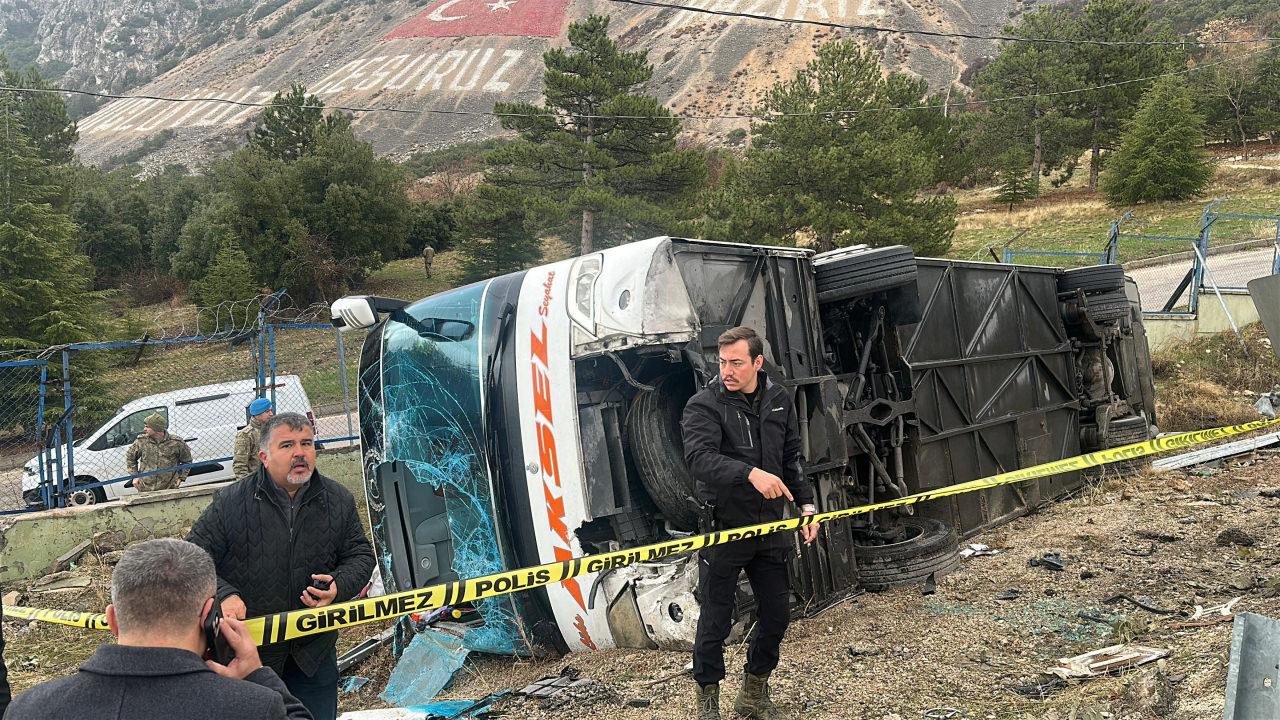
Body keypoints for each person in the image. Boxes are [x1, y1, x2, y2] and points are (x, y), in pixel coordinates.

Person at [188, 412, 374, 720]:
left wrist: (339, 585)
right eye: (287, 445)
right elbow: (193, 557)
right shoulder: (230, 503)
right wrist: (225, 594)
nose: (300, 452)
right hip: (249, 656)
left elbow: (361, 555)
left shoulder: (337, 499)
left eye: (307, 443)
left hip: (313, 653)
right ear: (264, 456)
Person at [4, 538, 311, 720]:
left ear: (112, 620)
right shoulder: (252, 708)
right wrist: (257, 673)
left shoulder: (29, 709)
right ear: (209, 616)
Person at [681, 326, 819, 720]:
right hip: (724, 526)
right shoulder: (703, 405)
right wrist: (749, 473)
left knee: (777, 614)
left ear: (757, 362)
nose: (727, 370)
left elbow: (792, 456)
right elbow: (699, 459)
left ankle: (754, 692)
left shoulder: (779, 399)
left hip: (770, 527)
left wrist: (807, 506)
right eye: (723, 362)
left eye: (736, 362)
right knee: (716, 618)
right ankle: (708, 702)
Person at [125, 413, 193, 492]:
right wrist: (135, 476)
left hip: (169, 488)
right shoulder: (141, 441)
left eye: (147, 427)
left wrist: (181, 478)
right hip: (145, 488)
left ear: (156, 428)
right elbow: (130, 457)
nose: (144, 429)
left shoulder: (176, 442)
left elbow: (187, 461)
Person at [233, 397, 274, 478]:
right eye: (267, 411)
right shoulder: (246, 435)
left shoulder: (272, 431)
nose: (271, 414)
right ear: (257, 414)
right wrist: (247, 487)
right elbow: (240, 465)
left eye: (271, 410)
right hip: (256, 481)